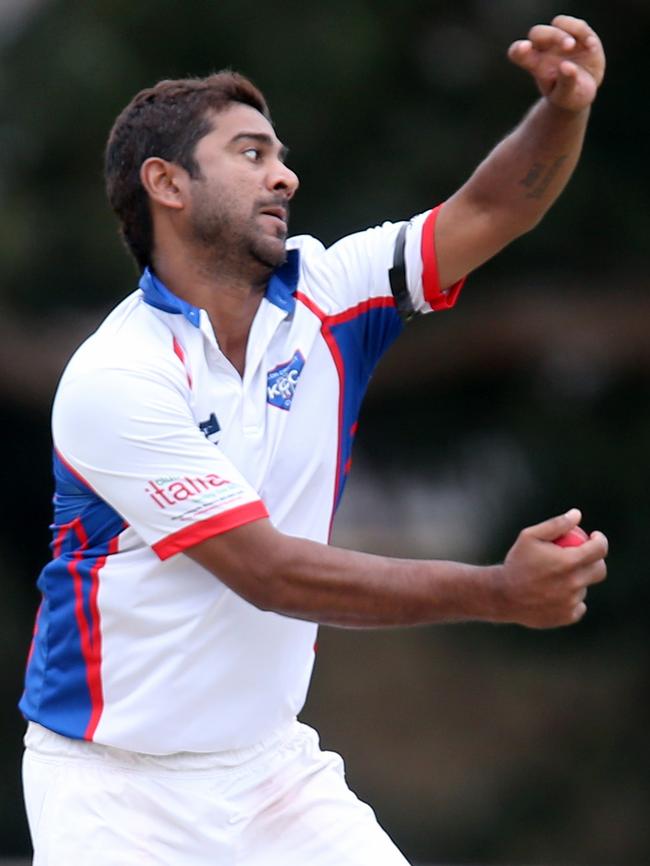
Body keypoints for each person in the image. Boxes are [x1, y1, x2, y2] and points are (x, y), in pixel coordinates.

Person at [20, 13, 608, 866]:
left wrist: (564, 109)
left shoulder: (332, 291)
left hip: (271, 772)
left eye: (282, 156)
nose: (285, 177)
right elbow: (269, 572)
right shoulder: (117, 376)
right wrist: (497, 592)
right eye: (251, 154)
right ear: (167, 184)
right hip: (117, 791)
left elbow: (488, 208)